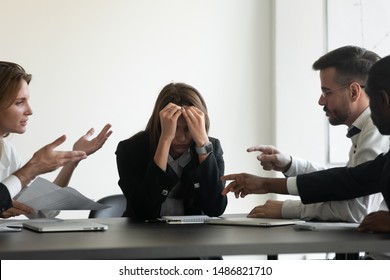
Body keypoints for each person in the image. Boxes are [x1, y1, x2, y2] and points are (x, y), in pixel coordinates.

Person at [221, 54, 390, 235]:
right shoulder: (379, 152)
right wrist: (273, 179)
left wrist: (286, 206)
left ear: (383, 100)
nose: (320, 100)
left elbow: (358, 209)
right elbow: (348, 180)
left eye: (327, 92)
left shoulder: (373, 131)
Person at [0, 61, 112, 218]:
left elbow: (42, 211)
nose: (30, 111)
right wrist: (32, 168)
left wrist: (73, 159)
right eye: (19, 102)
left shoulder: (8, 153)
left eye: (27, 101)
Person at [116, 82, 227, 221]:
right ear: (160, 125)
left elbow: (215, 208)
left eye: (188, 129)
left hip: (194, 237)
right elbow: (144, 211)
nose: (181, 138)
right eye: (174, 129)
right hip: (143, 237)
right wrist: (165, 140)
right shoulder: (131, 150)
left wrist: (203, 145)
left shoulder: (211, 147)